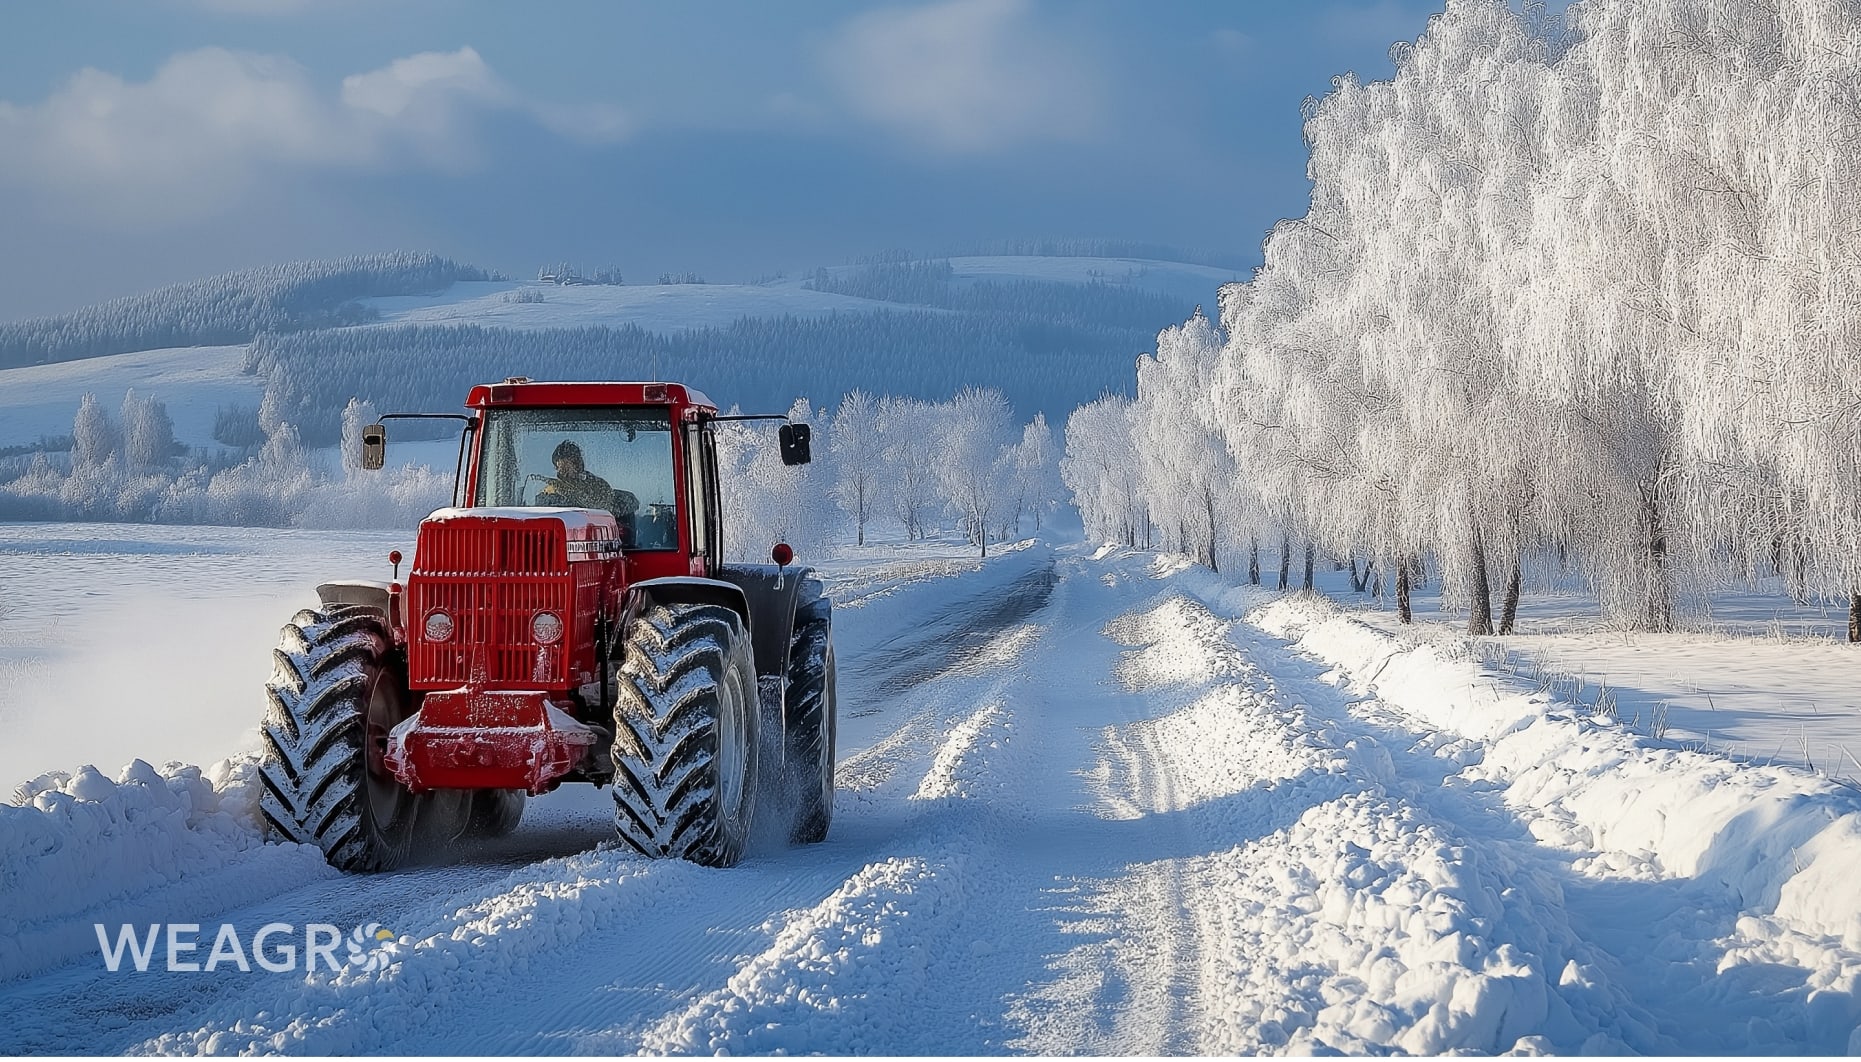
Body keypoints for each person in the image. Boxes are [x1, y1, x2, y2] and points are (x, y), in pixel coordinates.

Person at [536, 440, 614, 510]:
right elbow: (543, 512)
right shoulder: (550, 490)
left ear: (577, 463)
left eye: (566, 467)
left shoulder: (599, 486)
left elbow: (608, 513)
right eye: (559, 467)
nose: (561, 471)